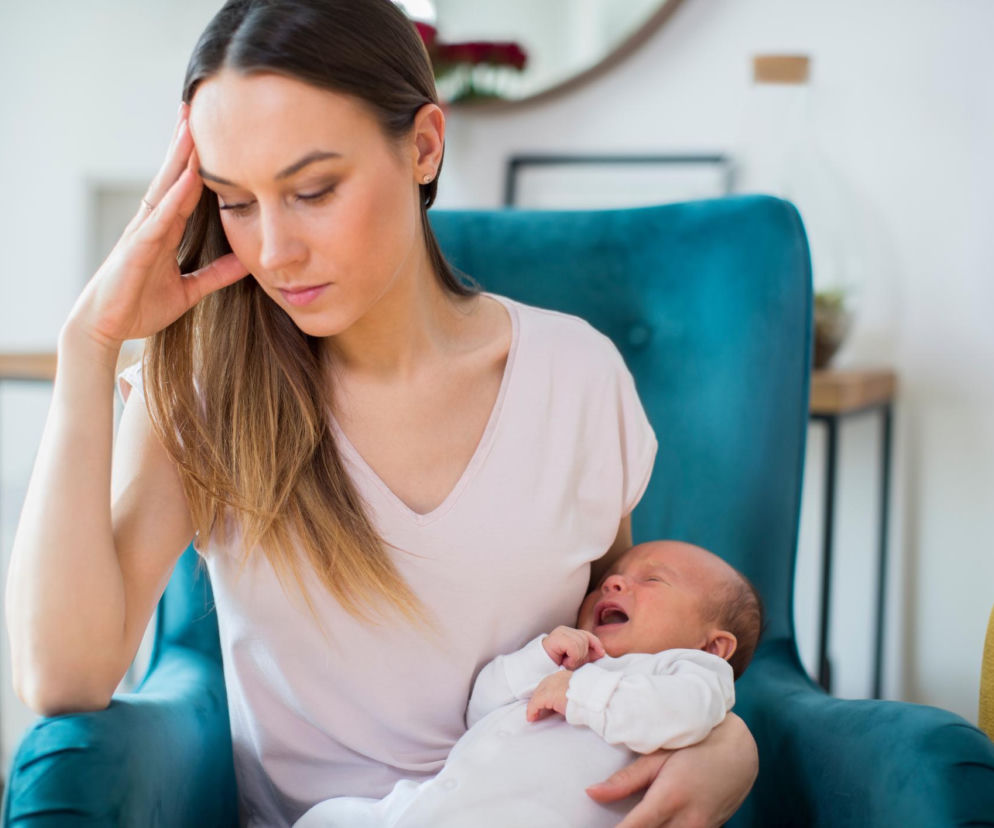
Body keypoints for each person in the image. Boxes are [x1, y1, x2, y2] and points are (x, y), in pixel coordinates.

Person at [4, 1, 758, 826]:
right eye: (235, 201)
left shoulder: (577, 376)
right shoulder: (211, 391)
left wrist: (730, 743)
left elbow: (622, 641)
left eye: (313, 189)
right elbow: (64, 677)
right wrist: (90, 343)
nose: (275, 251)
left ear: (424, 146)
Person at [292, 540, 764, 827]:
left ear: (713, 646)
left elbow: (681, 713)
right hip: (427, 809)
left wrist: (578, 693)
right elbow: (482, 711)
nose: (614, 584)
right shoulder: (575, 663)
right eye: (609, 580)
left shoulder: (692, 673)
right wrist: (539, 659)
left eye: (653, 580)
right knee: (330, 818)